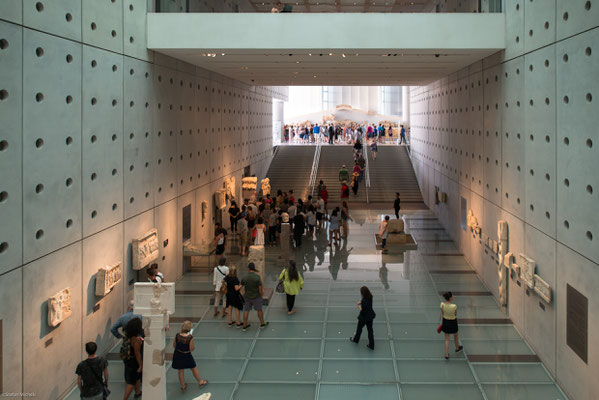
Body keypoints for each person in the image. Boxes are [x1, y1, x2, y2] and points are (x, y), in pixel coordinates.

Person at [172, 321, 208, 391]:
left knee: (180, 370)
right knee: (193, 367)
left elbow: (174, 345)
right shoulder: (190, 338)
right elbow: (192, 348)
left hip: (178, 354)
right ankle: (200, 381)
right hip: (186, 355)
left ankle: (183, 386)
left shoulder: (177, 335)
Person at [241, 262, 269, 331]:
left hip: (247, 296)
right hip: (256, 297)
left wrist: (243, 293)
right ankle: (262, 323)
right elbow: (260, 288)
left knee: (246, 310)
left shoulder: (245, 277)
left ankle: (244, 325)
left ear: (248, 268)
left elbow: (241, 285)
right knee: (259, 310)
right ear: (254, 268)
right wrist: (261, 294)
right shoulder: (257, 277)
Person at [122, 318, 143, 400]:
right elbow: (137, 353)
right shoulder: (136, 340)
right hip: (133, 361)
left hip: (127, 359)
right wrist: (141, 365)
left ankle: (137, 392)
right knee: (131, 382)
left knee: (136, 377)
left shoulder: (127, 334)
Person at [440, 291, 463, 359]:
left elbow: (442, 313)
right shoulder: (454, 306)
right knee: (455, 335)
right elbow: (455, 314)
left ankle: (446, 354)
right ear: (450, 298)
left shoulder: (442, 304)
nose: (453, 297)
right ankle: (457, 347)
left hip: (445, 321)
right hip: (453, 322)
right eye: (452, 296)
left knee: (447, 338)